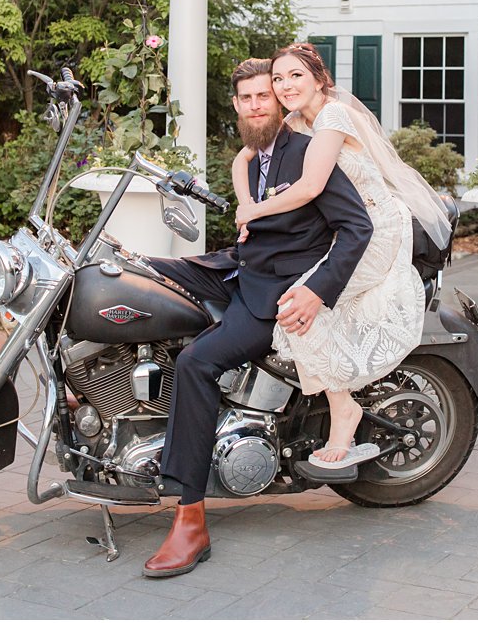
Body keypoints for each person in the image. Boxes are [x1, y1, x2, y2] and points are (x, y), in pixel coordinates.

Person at [140, 57, 374, 579]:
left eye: (263, 95)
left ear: (278, 97)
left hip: (276, 294)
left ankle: (190, 519)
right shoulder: (251, 157)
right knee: (133, 271)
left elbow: (357, 227)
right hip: (240, 268)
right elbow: (250, 213)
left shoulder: (309, 151)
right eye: (245, 98)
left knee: (198, 362)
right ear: (237, 105)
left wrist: (317, 291)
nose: (255, 105)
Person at [233, 42, 452, 468]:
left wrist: (255, 210)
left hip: (375, 230)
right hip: (341, 228)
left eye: (295, 75)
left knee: (304, 303)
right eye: (278, 78)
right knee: (299, 304)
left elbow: (312, 186)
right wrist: (245, 212)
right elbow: (243, 160)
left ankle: (344, 408)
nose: (284, 85)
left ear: (319, 79)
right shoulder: (297, 119)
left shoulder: (334, 116)